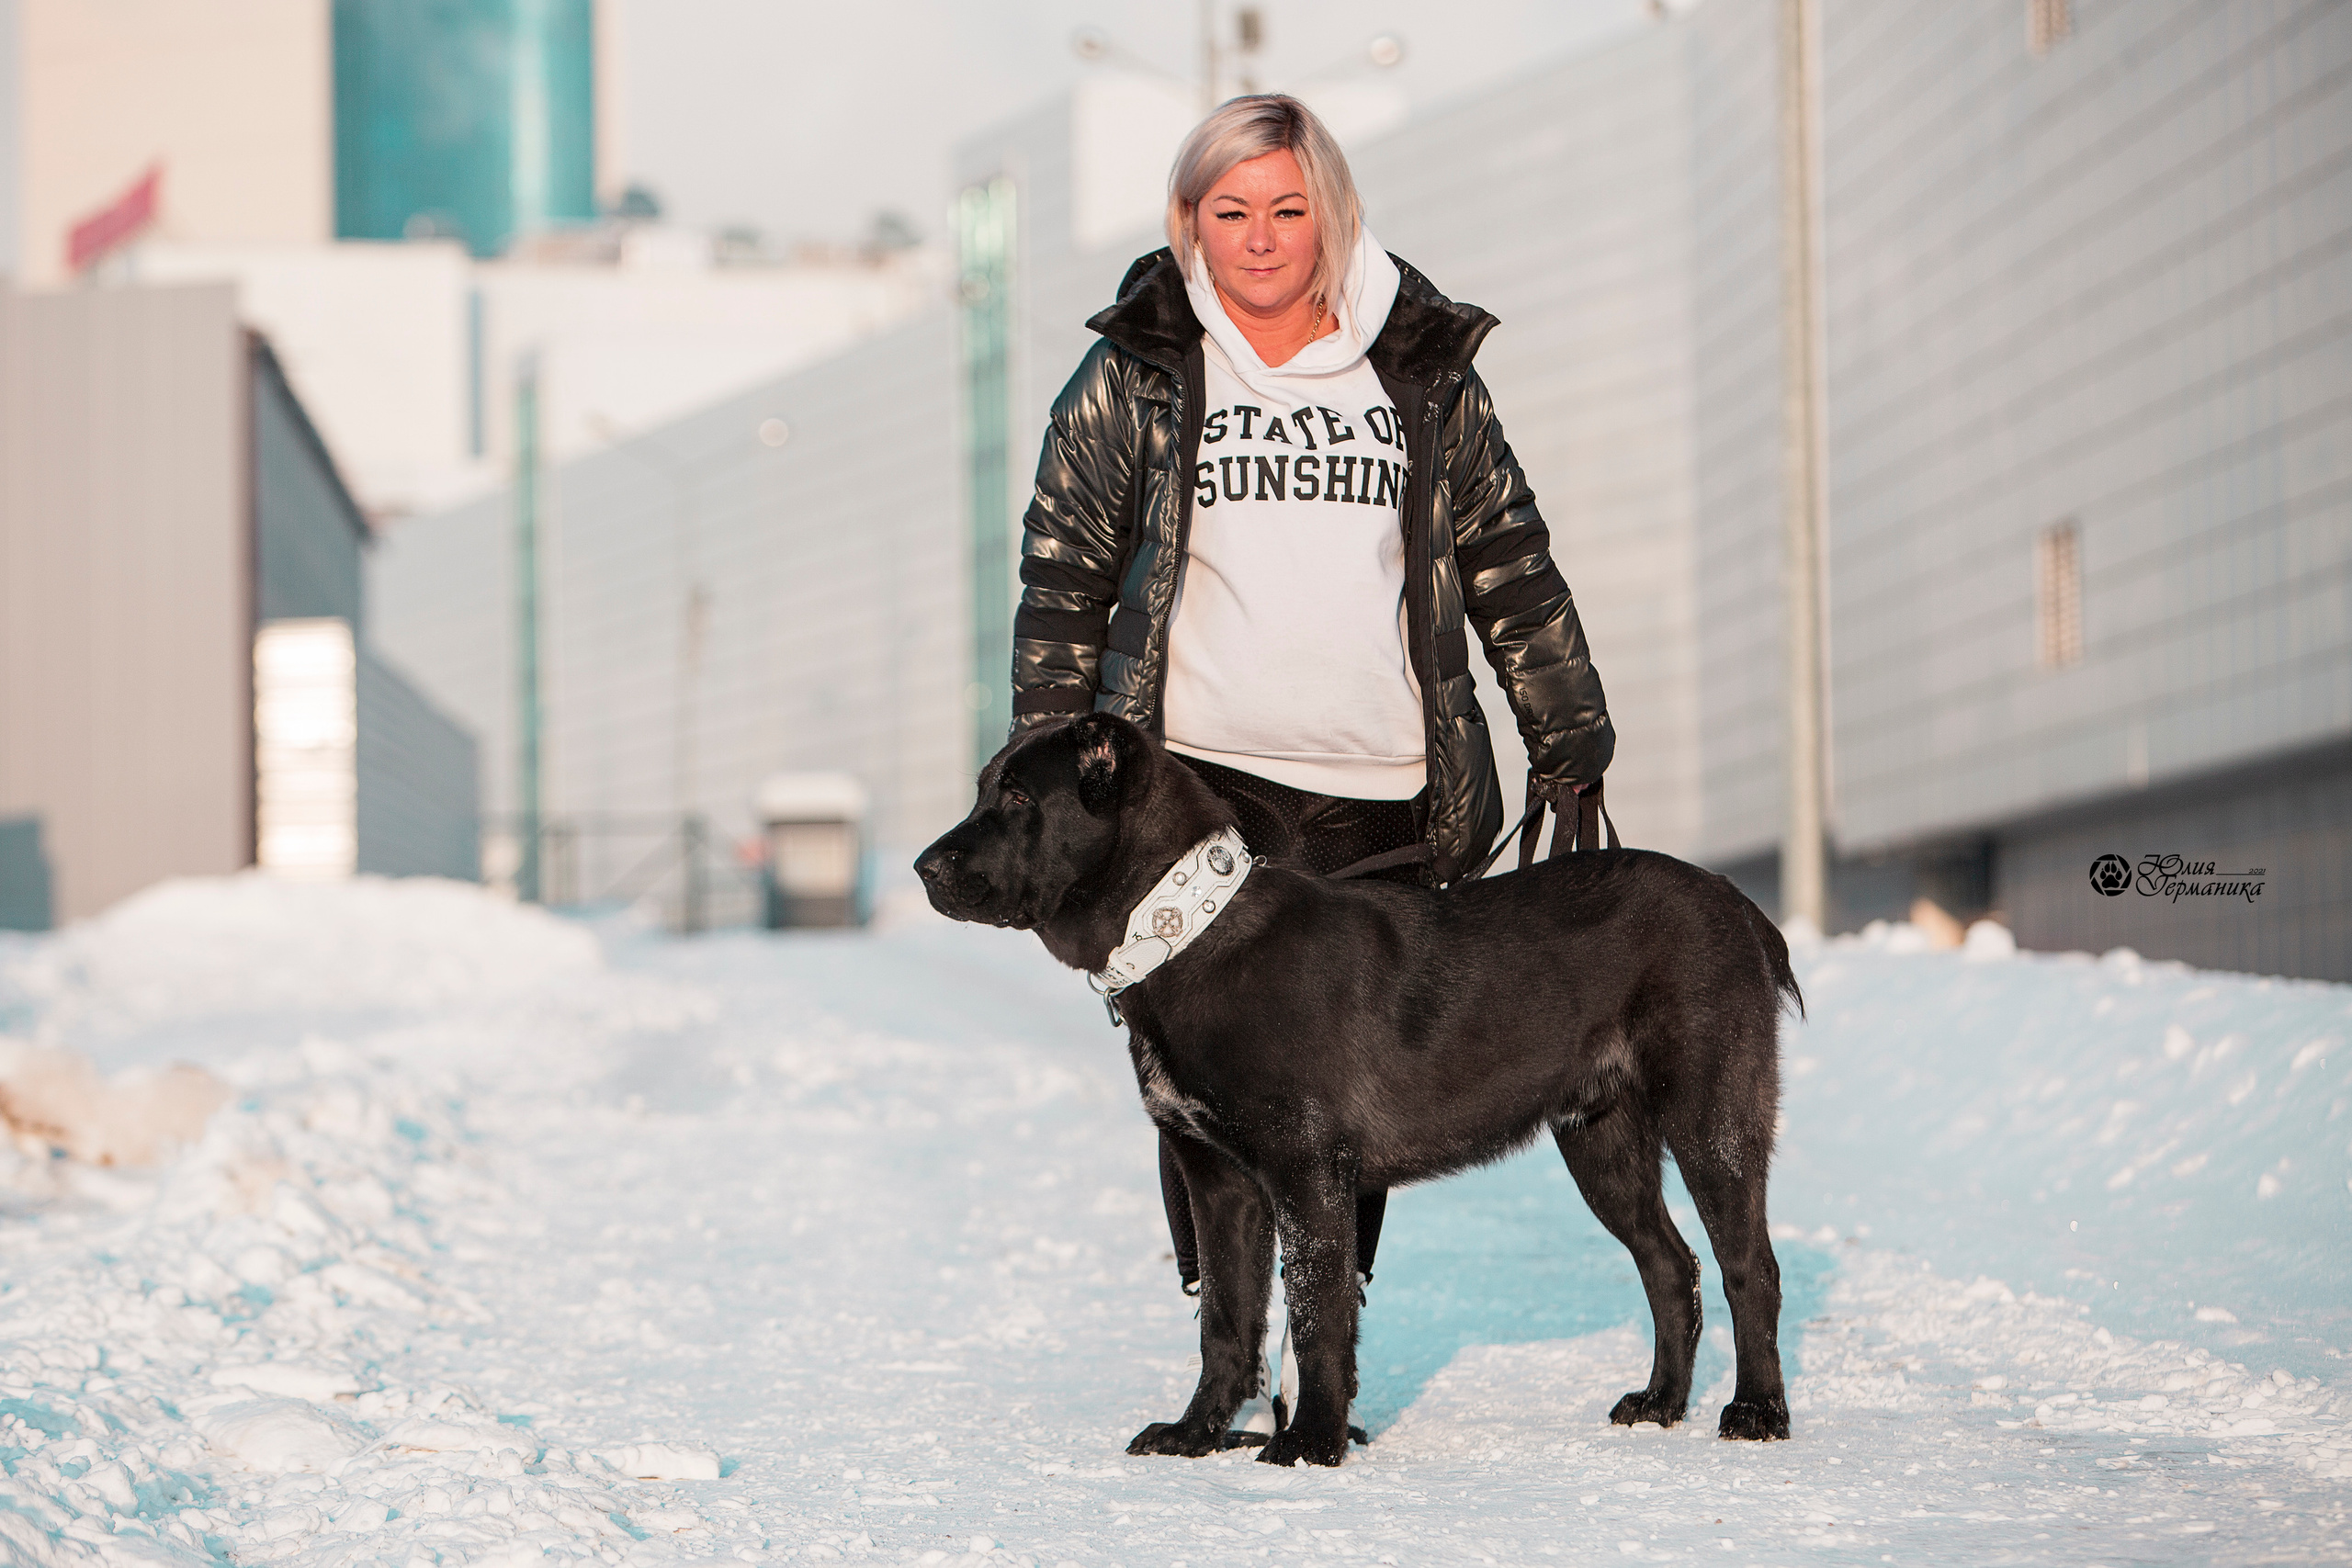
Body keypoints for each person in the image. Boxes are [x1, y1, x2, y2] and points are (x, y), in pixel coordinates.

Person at [1006, 93, 1613, 1353]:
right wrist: (1050, 762)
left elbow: (1504, 553)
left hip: (1380, 781)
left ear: (1331, 212)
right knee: (1202, 1059)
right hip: (1194, 789)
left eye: (1288, 209)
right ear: (1189, 222)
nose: (1263, 238)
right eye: (1231, 212)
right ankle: (1227, 1319)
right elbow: (1066, 561)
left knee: (1355, 1072)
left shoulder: (1420, 363)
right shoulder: (1141, 364)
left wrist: (1568, 729)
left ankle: (1325, 1318)